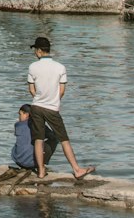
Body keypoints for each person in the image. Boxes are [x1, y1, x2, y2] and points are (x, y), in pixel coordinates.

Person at [27, 35, 94, 181]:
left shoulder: (33, 67)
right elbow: (62, 91)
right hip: (52, 107)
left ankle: (41, 172)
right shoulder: (60, 67)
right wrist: (53, 100)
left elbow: (31, 90)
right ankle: (77, 170)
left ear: (39, 51)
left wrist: (40, 98)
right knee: (64, 139)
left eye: (35, 50)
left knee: (38, 139)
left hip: (36, 106)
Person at [11, 103, 59, 171]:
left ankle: (26, 164)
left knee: (24, 142)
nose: (19, 117)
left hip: (18, 161)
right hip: (30, 162)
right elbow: (52, 136)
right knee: (53, 140)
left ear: (27, 115)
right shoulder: (38, 124)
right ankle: (41, 166)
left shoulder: (17, 125)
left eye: (20, 114)